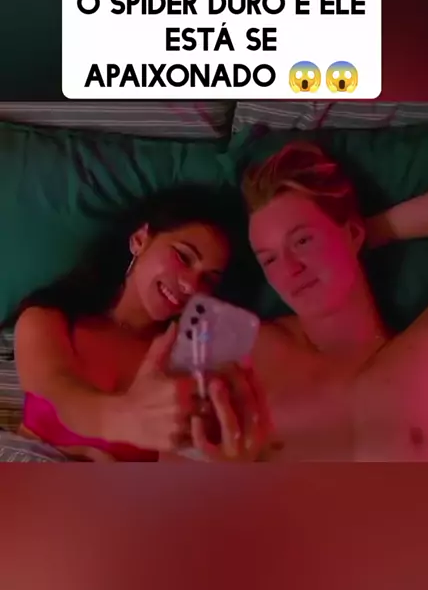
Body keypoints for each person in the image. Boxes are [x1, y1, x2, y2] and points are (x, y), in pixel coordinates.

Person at [242, 141, 428, 461]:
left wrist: (380, 229)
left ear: (353, 233)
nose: (290, 270)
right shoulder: (251, 349)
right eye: (269, 259)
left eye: (302, 240)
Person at [10, 184, 272, 463]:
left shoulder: (187, 364)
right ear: (140, 239)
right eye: (183, 257)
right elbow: (56, 389)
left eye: (207, 279)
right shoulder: (50, 318)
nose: (190, 285)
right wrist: (121, 418)